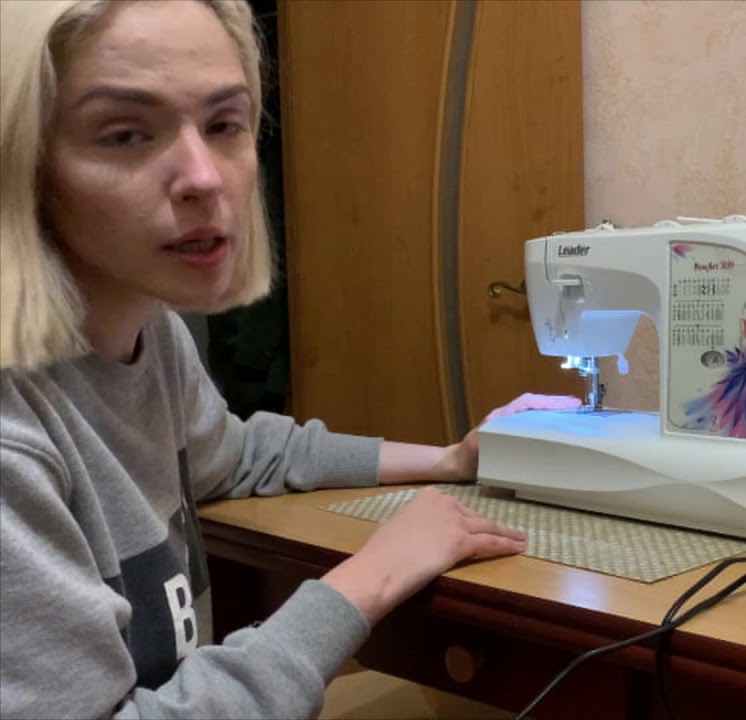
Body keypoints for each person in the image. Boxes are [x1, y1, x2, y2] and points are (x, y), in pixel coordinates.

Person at [0, 0, 580, 716]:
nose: (205, 178)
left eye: (224, 124)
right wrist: (371, 577)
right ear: (24, 161)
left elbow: (234, 455)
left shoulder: (154, 337)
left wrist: (449, 460)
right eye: (125, 134)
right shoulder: (15, 435)